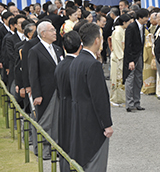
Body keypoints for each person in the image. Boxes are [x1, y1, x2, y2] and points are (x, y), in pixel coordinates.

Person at [69, 23, 113, 171]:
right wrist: (107, 124)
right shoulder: (92, 64)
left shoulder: (76, 61)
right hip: (93, 122)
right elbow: (99, 97)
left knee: (84, 161)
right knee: (96, 162)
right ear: (97, 40)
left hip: (78, 118)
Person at [28, 21, 64, 160]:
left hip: (59, 90)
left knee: (58, 121)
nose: (55, 32)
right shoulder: (35, 51)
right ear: (43, 33)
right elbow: (33, 74)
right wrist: (37, 94)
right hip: (45, 92)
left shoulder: (57, 49)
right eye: (52, 30)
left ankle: (58, 148)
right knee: (45, 122)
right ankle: (44, 150)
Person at [54, 31, 81, 172]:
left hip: (63, 106)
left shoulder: (60, 64)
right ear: (80, 46)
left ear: (64, 47)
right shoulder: (78, 65)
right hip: (75, 107)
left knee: (64, 141)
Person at [123, 8, 149, 112]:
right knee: (130, 79)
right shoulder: (131, 27)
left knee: (138, 79)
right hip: (132, 57)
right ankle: (130, 104)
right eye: (146, 17)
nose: (147, 19)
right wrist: (130, 60)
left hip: (139, 55)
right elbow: (128, 45)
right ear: (140, 18)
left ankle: (137, 102)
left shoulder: (142, 27)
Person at [110, 14, 132, 106]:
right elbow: (118, 46)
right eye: (129, 22)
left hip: (120, 56)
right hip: (118, 57)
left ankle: (120, 98)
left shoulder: (121, 30)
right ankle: (115, 99)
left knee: (120, 78)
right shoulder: (118, 31)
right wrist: (121, 57)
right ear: (124, 22)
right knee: (117, 78)